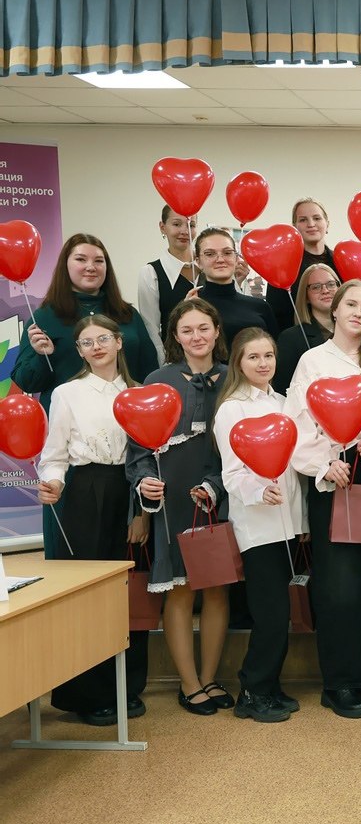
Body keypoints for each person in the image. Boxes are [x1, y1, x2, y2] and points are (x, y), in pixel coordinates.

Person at [285, 280, 361, 718]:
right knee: (340, 587)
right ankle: (339, 682)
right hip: (333, 479)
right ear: (334, 310)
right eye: (350, 304)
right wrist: (323, 464)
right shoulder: (312, 361)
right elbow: (295, 422)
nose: (358, 312)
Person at [37, 314, 149, 726]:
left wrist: (141, 512)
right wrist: (53, 483)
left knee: (127, 591)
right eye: (86, 342)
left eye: (104, 338)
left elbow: (148, 457)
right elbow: (54, 455)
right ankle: (88, 694)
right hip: (85, 493)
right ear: (79, 351)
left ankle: (127, 686)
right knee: (89, 592)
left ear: (119, 342)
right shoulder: (68, 392)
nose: (96, 346)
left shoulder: (141, 392)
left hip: (131, 490)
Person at [16, 233, 158, 559]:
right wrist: (40, 354)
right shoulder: (46, 316)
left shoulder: (127, 314)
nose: (90, 267)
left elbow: (149, 372)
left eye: (99, 260)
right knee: (78, 552)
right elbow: (26, 380)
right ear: (66, 265)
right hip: (77, 447)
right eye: (81, 259)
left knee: (126, 560)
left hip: (127, 446)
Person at [126, 298, 231, 716]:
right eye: (186, 330)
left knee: (218, 587)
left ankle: (210, 677)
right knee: (182, 589)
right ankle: (188, 685)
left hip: (220, 495)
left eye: (203, 328)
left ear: (217, 330)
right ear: (175, 336)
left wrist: (217, 485)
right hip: (173, 498)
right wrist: (142, 486)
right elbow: (138, 448)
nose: (196, 337)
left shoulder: (234, 377)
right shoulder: (158, 378)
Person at [213, 328, 305, 723]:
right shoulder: (231, 408)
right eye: (253, 357)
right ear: (238, 362)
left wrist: (302, 522)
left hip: (288, 524)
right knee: (269, 613)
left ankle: (269, 685)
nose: (263, 363)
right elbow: (231, 474)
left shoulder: (284, 403)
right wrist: (257, 491)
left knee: (281, 612)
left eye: (268, 355)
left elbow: (294, 469)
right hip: (258, 526)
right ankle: (251, 691)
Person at [195, 227, 278, 344]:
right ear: (198, 262)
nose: (220, 259)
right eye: (210, 254)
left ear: (236, 258)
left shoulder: (261, 307)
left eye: (227, 253)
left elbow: (274, 353)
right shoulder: (192, 305)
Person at [138, 206, 199, 362]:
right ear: (162, 227)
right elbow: (151, 330)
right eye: (177, 224)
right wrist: (164, 367)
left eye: (191, 225)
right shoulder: (151, 273)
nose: (185, 231)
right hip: (175, 363)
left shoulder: (209, 268)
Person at [265, 198, 336, 329]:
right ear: (294, 227)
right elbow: (276, 315)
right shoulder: (283, 266)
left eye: (317, 218)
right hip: (299, 342)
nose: (311, 224)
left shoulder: (342, 261)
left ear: (327, 224)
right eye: (303, 220)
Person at [273, 263, 339, 394]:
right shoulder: (290, 339)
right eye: (316, 287)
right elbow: (283, 391)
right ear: (306, 296)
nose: (325, 290)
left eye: (331, 284)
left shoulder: (355, 331)